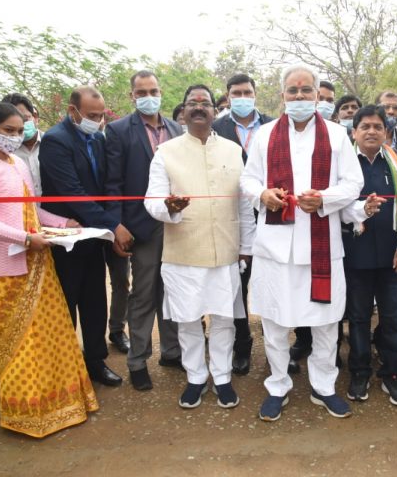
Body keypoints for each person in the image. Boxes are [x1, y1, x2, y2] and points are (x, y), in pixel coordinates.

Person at [0, 102, 97, 437]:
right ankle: (25, 415)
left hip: (35, 261)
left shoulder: (18, 163)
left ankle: (59, 405)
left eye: (19, 131)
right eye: (8, 130)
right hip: (0, 267)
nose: (14, 137)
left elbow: (33, 211)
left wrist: (64, 223)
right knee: (16, 343)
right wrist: (24, 237)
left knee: (48, 336)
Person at [241, 63, 363, 421]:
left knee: (325, 322)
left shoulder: (338, 135)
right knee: (275, 321)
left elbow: (353, 184)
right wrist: (263, 194)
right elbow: (247, 180)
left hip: (321, 244)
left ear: (317, 94)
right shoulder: (263, 135)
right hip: (276, 247)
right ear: (282, 96)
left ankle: (323, 386)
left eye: (306, 90)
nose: (299, 96)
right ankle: (278, 384)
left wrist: (324, 199)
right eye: (292, 91)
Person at [145, 84, 255, 408]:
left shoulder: (234, 151)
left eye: (205, 103)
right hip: (183, 252)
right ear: (183, 111)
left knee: (224, 319)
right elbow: (151, 200)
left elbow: (245, 205)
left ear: (214, 111)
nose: (198, 107)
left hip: (225, 249)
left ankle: (221, 377)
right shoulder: (165, 152)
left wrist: (247, 246)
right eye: (192, 102)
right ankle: (195, 377)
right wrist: (170, 207)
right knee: (188, 320)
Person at [39, 86, 130, 387]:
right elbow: (73, 193)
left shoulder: (98, 138)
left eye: (101, 114)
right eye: (91, 115)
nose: (98, 120)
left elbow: (106, 185)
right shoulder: (55, 141)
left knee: (94, 301)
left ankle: (95, 361)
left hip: (95, 235)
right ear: (72, 112)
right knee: (67, 301)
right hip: (67, 235)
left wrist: (109, 225)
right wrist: (112, 226)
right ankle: (66, 366)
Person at [104, 70, 184, 390]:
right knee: (144, 294)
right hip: (141, 226)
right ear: (132, 96)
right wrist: (116, 225)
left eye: (153, 90)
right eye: (142, 92)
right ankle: (138, 360)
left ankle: (172, 351)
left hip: (176, 225)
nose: (149, 96)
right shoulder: (119, 130)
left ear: (161, 92)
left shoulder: (177, 129)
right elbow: (113, 183)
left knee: (172, 290)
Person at [340, 105, 397, 406]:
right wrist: (361, 211)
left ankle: (392, 374)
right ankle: (359, 372)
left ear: (387, 132)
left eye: (377, 126)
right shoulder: (343, 165)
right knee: (357, 318)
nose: (371, 131)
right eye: (365, 126)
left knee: (394, 318)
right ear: (354, 132)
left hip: (392, 255)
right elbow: (337, 206)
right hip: (355, 255)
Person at [212, 73, 275, 375]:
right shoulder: (216, 128)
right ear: (228, 97)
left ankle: (282, 348)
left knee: (275, 281)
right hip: (232, 217)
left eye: (247, 91)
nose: (242, 97)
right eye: (236, 93)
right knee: (238, 287)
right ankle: (242, 343)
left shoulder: (274, 126)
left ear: (255, 93)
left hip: (274, 214)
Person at [2, 93, 42, 195]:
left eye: (24, 119)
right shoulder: (3, 151)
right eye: (12, 121)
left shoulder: (54, 144)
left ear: (34, 117)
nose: (21, 125)